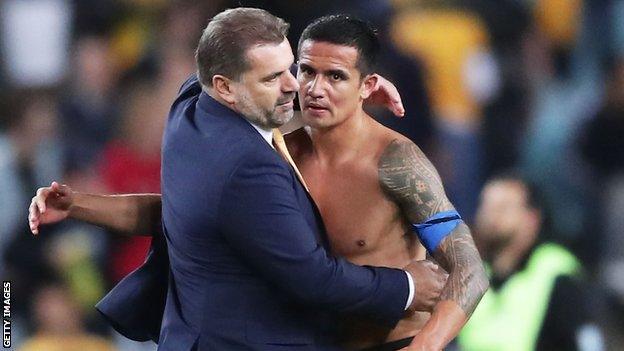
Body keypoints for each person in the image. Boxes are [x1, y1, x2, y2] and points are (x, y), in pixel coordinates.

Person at [30, 12, 489, 351]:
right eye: (303, 71)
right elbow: (199, 217)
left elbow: (469, 269)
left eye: (334, 77)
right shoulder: (271, 151)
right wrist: (79, 205)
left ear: (367, 85)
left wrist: (428, 344)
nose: (307, 87)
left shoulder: (396, 161)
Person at [458, 174, 605, 351]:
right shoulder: (469, 274)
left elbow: (587, 341)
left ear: (532, 218)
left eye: (503, 207)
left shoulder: (555, 272)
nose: (490, 216)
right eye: (485, 206)